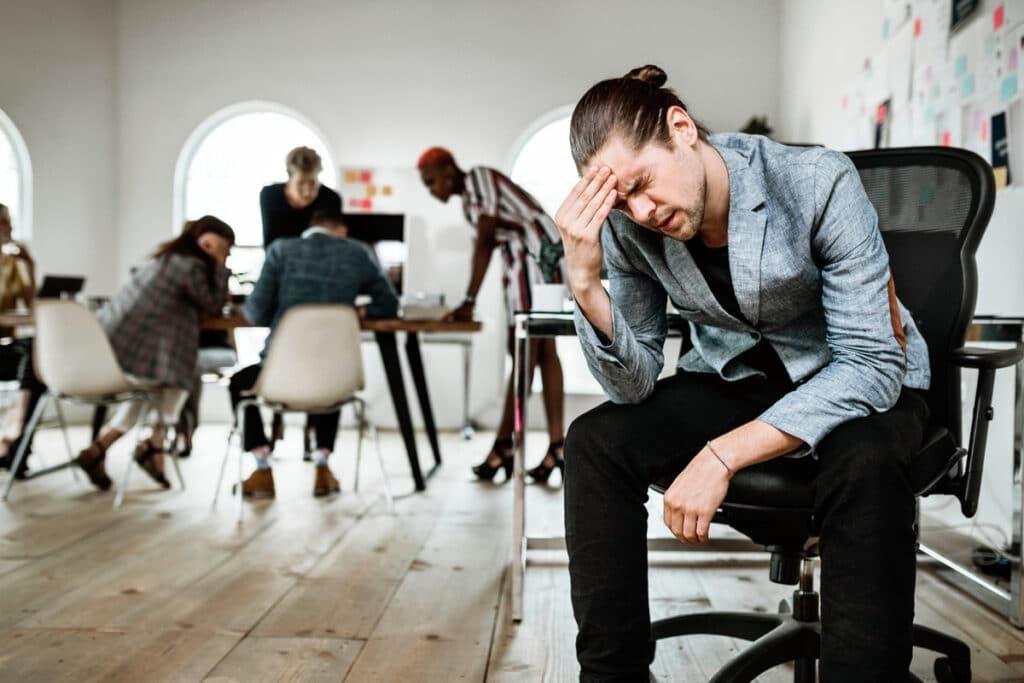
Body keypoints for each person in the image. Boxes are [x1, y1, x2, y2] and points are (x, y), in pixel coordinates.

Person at [557, 65, 930, 681]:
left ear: (681, 128)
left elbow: (870, 363)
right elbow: (634, 384)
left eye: (642, 183)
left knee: (864, 459)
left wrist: (721, 456)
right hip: (736, 378)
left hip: (855, 375)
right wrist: (585, 283)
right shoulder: (628, 226)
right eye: (620, 200)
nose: (641, 210)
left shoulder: (816, 181)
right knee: (595, 442)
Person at [417, 147, 567, 483]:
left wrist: (468, 300)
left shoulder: (479, 178)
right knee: (538, 352)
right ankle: (554, 446)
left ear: (448, 171)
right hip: (519, 263)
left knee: (529, 352)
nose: (431, 190)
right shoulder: (468, 202)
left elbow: (485, 240)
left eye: (431, 182)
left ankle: (506, 445)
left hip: (535, 258)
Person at [230, 207, 398, 499]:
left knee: (240, 382)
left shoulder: (281, 251)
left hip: (280, 375)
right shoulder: (357, 252)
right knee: (330, 378)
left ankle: (262, 467)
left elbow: (255, 312)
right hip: (336, 380)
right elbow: (389, 304)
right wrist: (361, 311)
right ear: (342, 231)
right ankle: (323, 466)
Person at [74, 216, 233, 490]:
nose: (226, 254)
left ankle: (102, 448)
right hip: (133, 354)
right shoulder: (190, 266)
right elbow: (212, 303)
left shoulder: (167, 260)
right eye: (225, 248)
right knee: (178, 380)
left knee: (160, 384)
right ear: (207, 243)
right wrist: (220, 267)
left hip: (111, 350)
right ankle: (152, 447)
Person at [0, 202, 44, 477]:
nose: (10, 228)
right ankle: (14, 447)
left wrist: (30, 265)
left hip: (7, 350)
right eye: (5, 222)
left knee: (40, 357)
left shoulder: (12, 264)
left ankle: (14, 446)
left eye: (9, 223)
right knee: (36, 360)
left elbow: (31, 306)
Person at [260, 146, 343, 249]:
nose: (307, 192)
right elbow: (269, 244)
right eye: (300, 183)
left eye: (312, 183)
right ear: (289, 179)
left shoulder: (331, 199)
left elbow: (335, 244)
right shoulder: (270, 196)